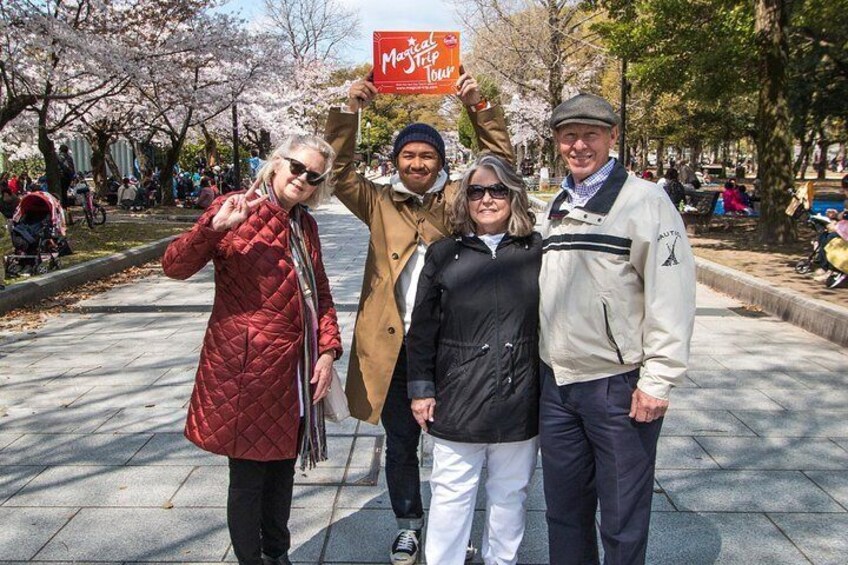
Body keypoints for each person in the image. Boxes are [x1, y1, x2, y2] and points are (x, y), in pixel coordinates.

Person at [324, 67, 513, 565]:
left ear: (440, 162)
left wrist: (479, 106)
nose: (417, 162)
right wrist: (350, 110)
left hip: (455, 345)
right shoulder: (378, 201)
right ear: (396, 161)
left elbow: (501, 166)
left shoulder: (460, 200)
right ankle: (409, 524)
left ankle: (454, 529)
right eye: (408, 155)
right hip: (394, 345)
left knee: (460, 443)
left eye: (427, 155)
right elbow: (338, 173)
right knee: (401, 440)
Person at [161, 134, 342, 565]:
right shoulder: (234, 207)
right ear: (276, 164)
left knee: (281, 473)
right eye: (296, 167)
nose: (302, 179)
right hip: (245, 367)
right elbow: (174, 267)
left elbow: (321, 292)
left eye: (313, 175)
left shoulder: (304, 224)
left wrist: (329, 351)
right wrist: (211, 229)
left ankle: (277, 555)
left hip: (294, 369)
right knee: (247, 477)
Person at [538, 93, 696, 565]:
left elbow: (673, 294)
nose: (579, 145)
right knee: (563, 512)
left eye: (591, 134)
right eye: (569, 136)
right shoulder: (558, 201)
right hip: (557, 382)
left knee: (623, 517)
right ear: (557, 143)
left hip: (618, 385)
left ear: (612, 137)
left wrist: (658, 380)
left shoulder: (646, 202)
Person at [407, 154, 541, 565]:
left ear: (513, 195)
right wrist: (421, 389)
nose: (487, 199)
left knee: (510, 493)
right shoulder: (444, 253)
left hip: (519, 392)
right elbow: (422, 328)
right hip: (458, 393)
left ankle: (502, 560)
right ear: (464, 199)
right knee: (451, 493)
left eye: (497, 189)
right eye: (476, 191)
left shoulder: (537, 250)